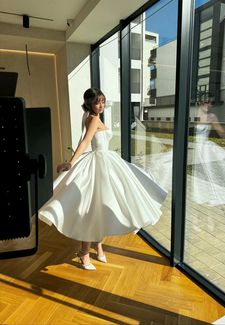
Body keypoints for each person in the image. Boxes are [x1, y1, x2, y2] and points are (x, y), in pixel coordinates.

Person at [39, 87, 167, 270]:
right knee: (94, 208)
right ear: (89, 103)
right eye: (97, 102)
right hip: (99, 163)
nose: (101, 105)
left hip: (105, 161)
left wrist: (72, 161)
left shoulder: (90, 116)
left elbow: (84, 140)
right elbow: (84, 142)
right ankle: (84, 252)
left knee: (102, 207)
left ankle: (98, 246)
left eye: (103, 101)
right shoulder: (93, 118)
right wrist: (70, 163)